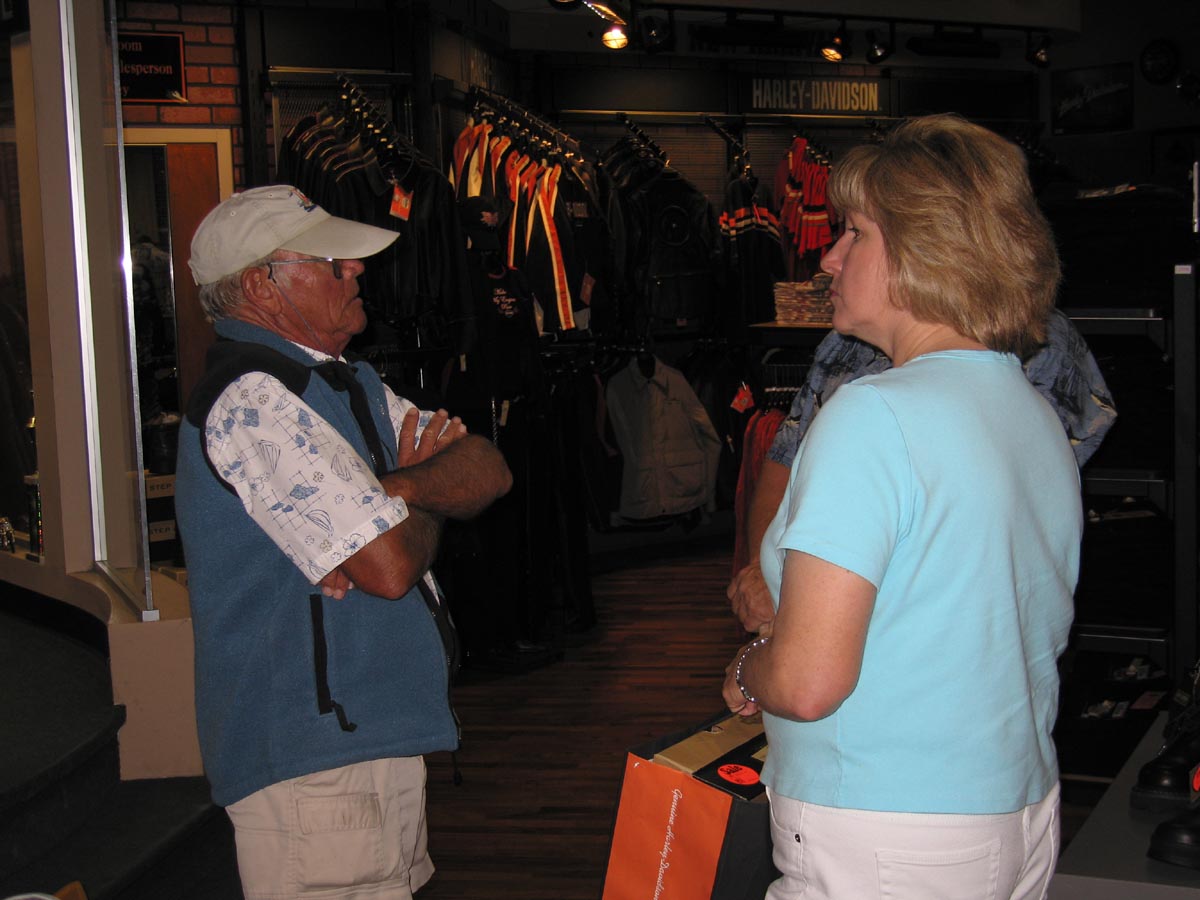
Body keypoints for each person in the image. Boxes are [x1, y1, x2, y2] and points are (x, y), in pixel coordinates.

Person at [720, 115, 1085, 899]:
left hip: (886, 829)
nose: (829, 255)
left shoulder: (872, 415)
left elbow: (809, 682)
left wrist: (750, 670)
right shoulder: (1029, 413)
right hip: (1014, 808)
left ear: (924, 249)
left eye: (855, 232)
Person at [175, 185, 512, 899]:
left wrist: (390, 492)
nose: (356, 270)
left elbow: (488, 467)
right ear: (261, 286)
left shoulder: (341, 382)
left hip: (367, 741)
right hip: (312, 758)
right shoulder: (252, 399)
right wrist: (417, 490)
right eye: (332, 261)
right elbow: (389, 568)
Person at [729, 308, 1115, 634]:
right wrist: (766, 571)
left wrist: (791, 620)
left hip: (940, 634)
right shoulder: (846, 340)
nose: (832, 259)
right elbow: (786, 454)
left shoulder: (1035, 338)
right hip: (835, 617)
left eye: (855, 242)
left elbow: (1004, 525)